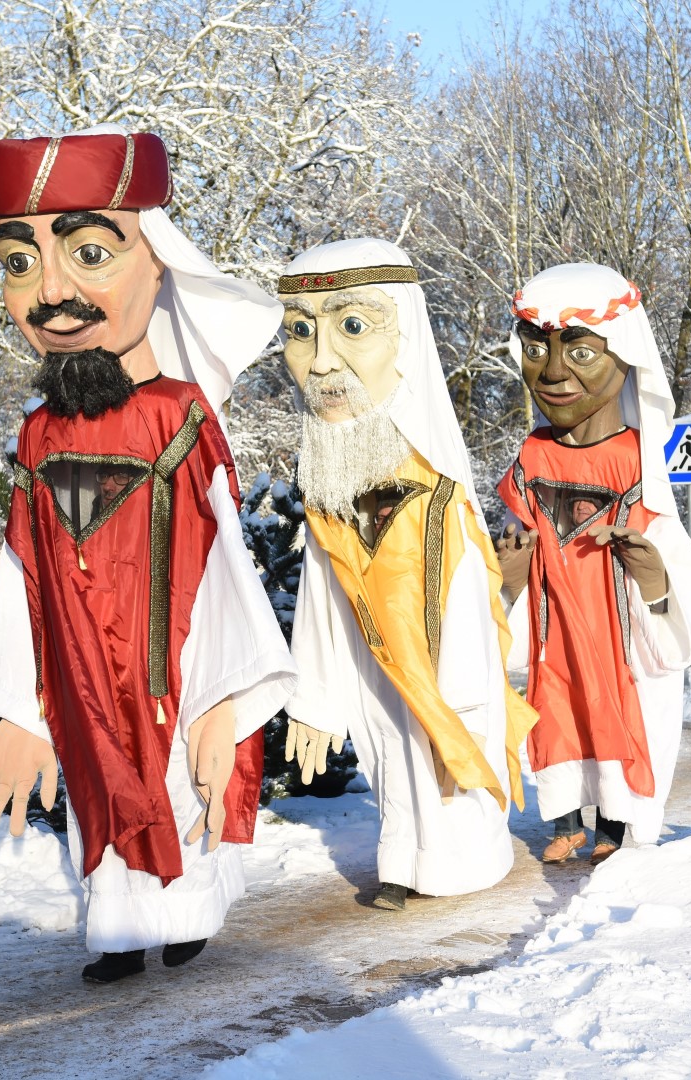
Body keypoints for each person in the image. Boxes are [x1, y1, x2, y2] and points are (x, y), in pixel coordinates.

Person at [0, 127, 296, 983]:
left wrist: (223, 698)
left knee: (178, 787)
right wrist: (22, 709)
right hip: (78, 674)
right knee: (96, 790)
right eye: (20, 263)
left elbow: (224, 566)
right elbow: (21, 572)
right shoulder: (38, 433)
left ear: (159, 264)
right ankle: (119, 924)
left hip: (168, 664)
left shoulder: (178, 415)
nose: (51, 293)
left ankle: (186, 916)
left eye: (90, 254)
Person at [277, 238, 536, 911]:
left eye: (352, 326)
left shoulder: (436, 487)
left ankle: (464, 859)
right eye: (300, 332)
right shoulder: (330, 476)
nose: (321, 361)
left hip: (445, 667)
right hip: (373, 662)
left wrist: (452, 701)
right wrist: (314, 698)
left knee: (442, 746)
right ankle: (404, 857)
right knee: (388, 745)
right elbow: (321, 593)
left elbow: (470, 608)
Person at [495, 262, 691, 864]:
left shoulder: (641, 463)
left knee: (615, 713)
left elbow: (671, 551)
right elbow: (517, 534)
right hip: (555, 624)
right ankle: (565, 821)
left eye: (581, 353)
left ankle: (615, 826)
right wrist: (509, 582)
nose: (553, 372)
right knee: (558, 713)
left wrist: (654, 579)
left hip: (618, 631)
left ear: (624, 354)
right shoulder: (531, 458)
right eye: (536, 349)